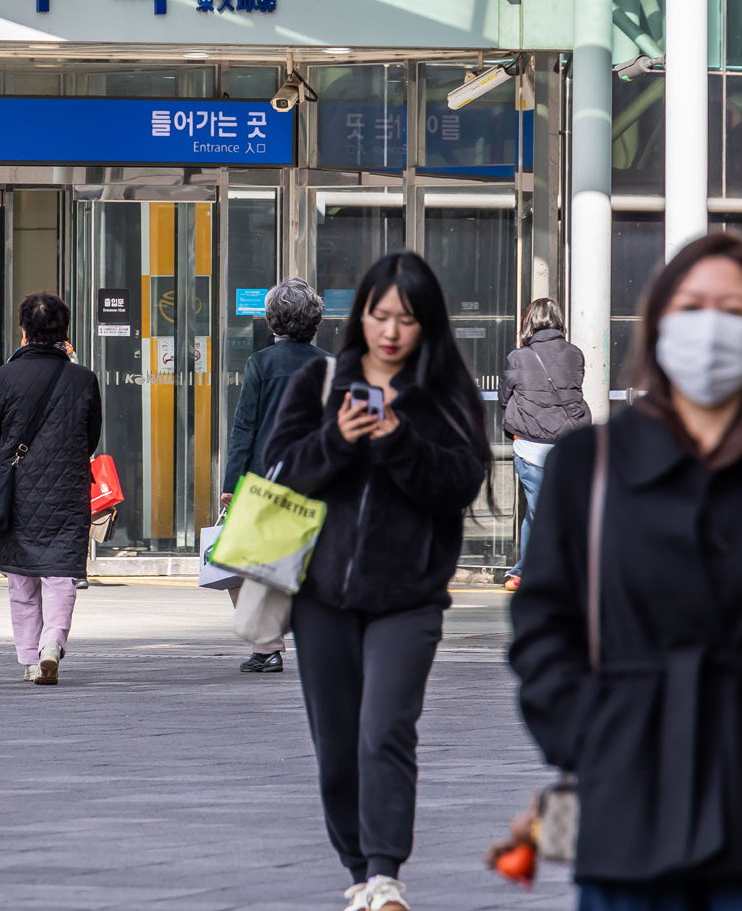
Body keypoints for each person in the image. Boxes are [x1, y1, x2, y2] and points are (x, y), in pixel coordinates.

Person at [509, 231, 742, 911]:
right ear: (658, 325)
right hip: (627, 779)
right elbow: (544, 625)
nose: (711, 327)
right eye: (692, 306)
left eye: (732, 310)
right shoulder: (590, 465)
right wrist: (584, 733)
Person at [261, 251, 489, 911]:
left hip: (408, 597)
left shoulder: (445, 394)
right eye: (379, 314)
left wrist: (395, 438)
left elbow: (459, 484)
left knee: (385, 729)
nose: (391, 331)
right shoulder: (319, 381)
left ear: (427, 324)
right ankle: (359, 870)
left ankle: (386, 874)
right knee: (336, 747)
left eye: (407, 319)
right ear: (360, 315)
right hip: (322, 596)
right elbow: (282, 469)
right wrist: (338, 437)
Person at [0, 291, 103, 686]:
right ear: (64, 330)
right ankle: (52, 643)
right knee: (60, 574)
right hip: (68, 490)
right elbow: (91, 438)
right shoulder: (83, 379)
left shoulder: (3, 377)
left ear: (24, 329)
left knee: (21, 578)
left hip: (18, 489)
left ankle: (29, 659)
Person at [222, 277, 334, 674]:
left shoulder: (261, 364)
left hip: (265, 480)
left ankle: (267, 646)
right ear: (315, 320)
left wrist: (231, 484)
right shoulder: (330, 365)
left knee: (244, 564)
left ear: (272, 320)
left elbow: (244, 429)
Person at [498, 297, 589, 594]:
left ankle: (547, 571)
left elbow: (504, 398)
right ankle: (527, 570)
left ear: (529, 323)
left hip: (530, 444)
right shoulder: (574, 354)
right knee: (541, 511)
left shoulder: (518, 357)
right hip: (567, 444)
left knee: (540, 510)